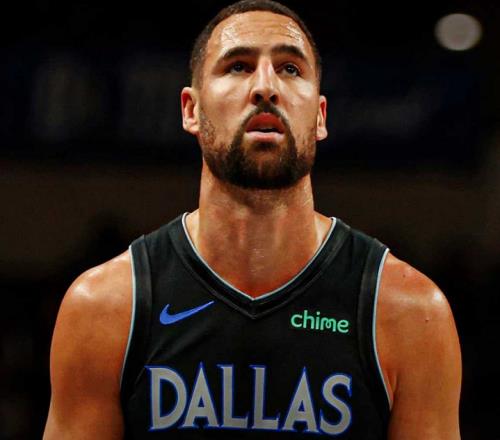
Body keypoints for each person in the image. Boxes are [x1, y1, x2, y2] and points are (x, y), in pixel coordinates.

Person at [43, 0, 462, 438]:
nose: (265, 87)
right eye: (238, 66)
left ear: (320, 116)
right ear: (191, 110)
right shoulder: (105, 308)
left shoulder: (409, 313)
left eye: (290, 69)